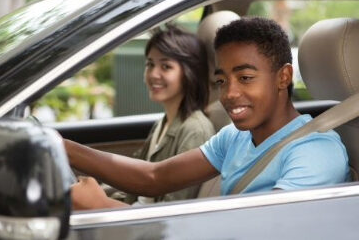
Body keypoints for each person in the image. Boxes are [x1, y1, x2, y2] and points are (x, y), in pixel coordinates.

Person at [66, 17, 350, 210]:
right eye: (222, 80)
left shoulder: (316, 152)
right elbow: (154, 177)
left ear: (283, 77)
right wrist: (61, 147)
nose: (229, 93)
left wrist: (105, 208)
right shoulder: (234, 138)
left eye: (246, 78)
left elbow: (257, 231)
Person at [104, 24, 215, 205]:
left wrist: (100, 204)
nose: (154, 74)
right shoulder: (162, 124)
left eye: (166, 66)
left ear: (189, 73)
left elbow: (172, 211)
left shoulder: (195, 130)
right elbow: (134, 182)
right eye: (150, 64)